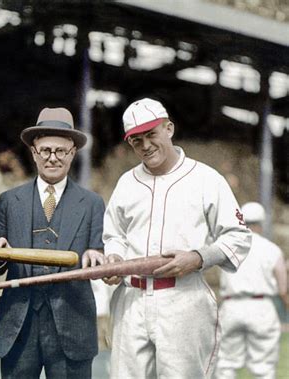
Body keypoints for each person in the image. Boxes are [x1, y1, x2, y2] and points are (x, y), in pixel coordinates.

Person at [102, 98, 252, 378]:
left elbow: (238, 236)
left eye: (151, 134)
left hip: (183, 297)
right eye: (136, 140)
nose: (145, 145)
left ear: (169, 128)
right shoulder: (126, 182)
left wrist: (197, 258)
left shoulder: (206, 178)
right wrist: (114, 258)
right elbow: (114, 235)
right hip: (131, 298)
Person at [0, 107, 105, 378]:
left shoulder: (92, 203)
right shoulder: (10, 201)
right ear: (33, 152)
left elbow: (98, 252)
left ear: (72, 153)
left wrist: (96, 254)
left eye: (60, 151)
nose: (52, 158)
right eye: (45, 150)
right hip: (18, 326)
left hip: (73, 325)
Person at [214, 201, 288, 379]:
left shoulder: (227, 247)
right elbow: (283, 287)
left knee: (225, 365)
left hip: (231, 306)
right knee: (263, 367)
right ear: (262, 223)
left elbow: (220, 276)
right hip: (262, 307)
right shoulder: (272, 249)